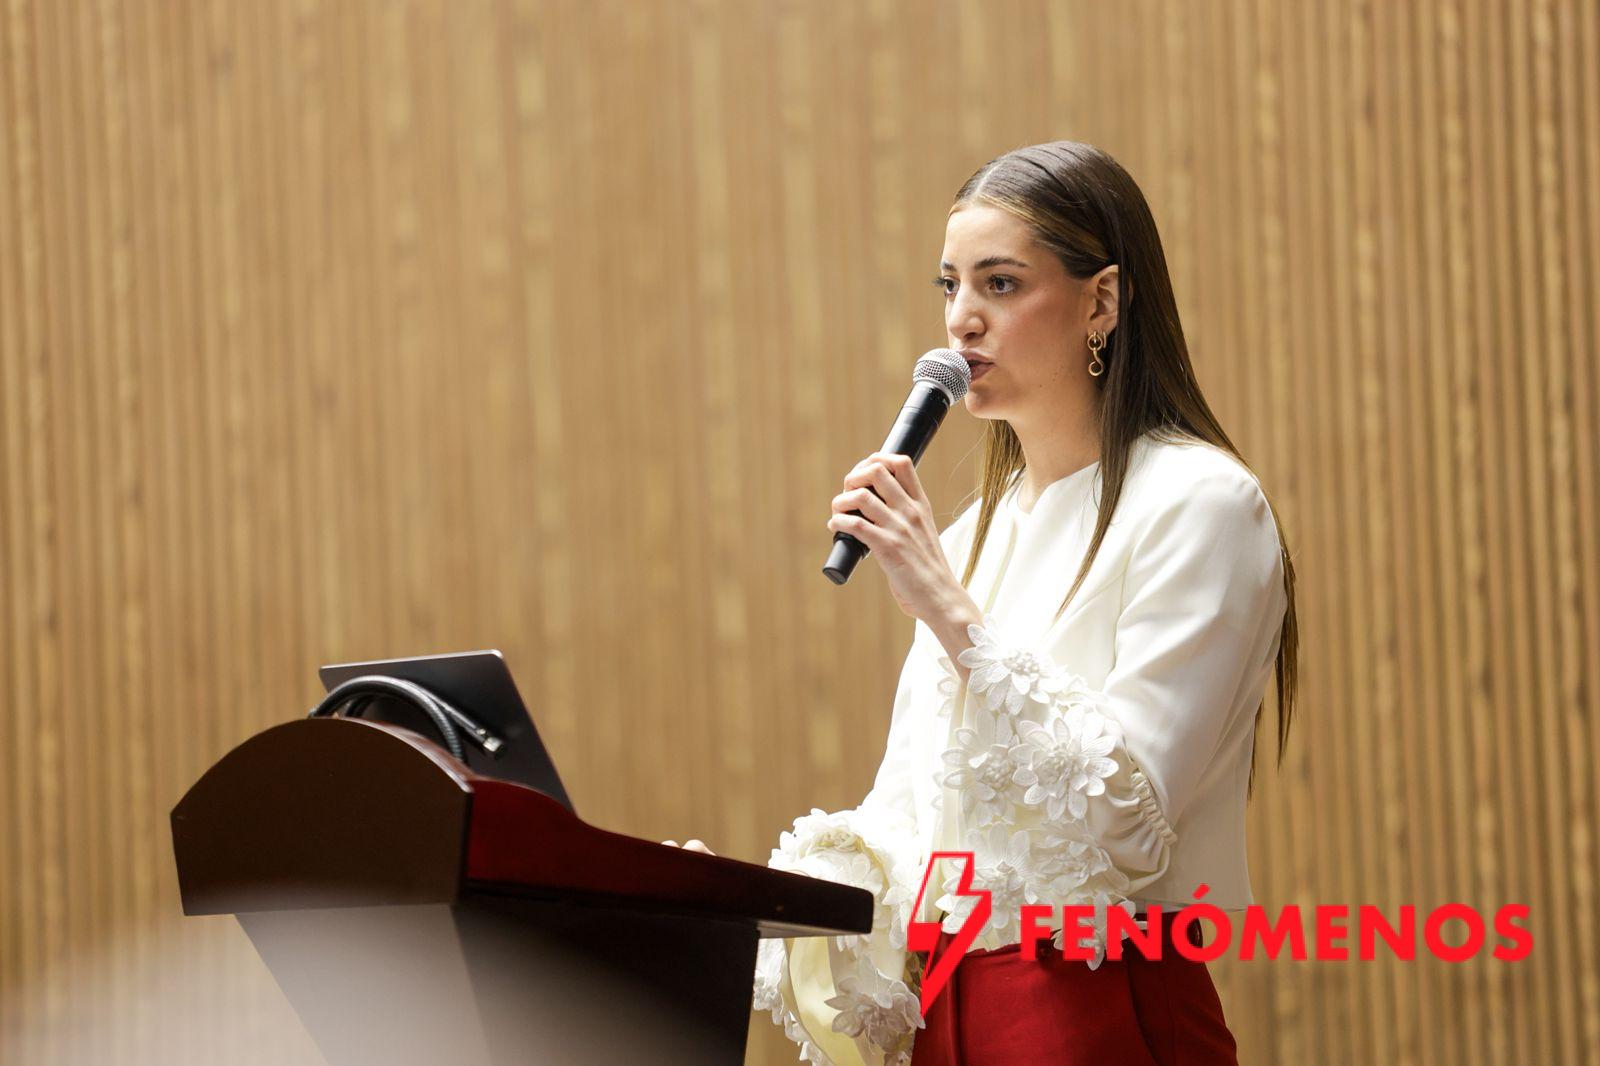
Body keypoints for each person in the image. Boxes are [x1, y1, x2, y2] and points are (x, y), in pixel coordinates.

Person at [667, 140, 1299, 1066]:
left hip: (1100, 1012)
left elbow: (1130, 823)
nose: (961, 321)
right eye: (950, 285)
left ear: (1102, 301)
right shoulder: (968, 537)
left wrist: (949, 612)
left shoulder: (1201, 503)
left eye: (1000, 285)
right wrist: (736, 899)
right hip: (946, 1021)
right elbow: (912, 836)